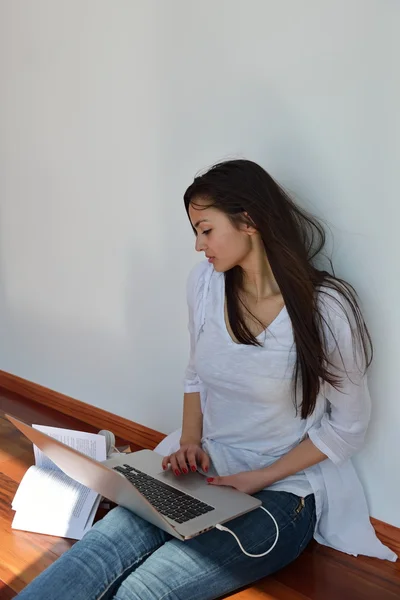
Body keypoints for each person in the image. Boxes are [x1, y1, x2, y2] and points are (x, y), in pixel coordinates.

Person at [17, 159, 396, 600]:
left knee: (144, 592)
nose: (199, 245)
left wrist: (263, 475)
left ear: (249, 221)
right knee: (96, 552)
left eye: (205, 229)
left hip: (282, 492)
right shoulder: (205, 285)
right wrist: (190, 443)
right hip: (206, 469)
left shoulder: (326, 310)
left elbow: (348, 428)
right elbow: (196, 373)